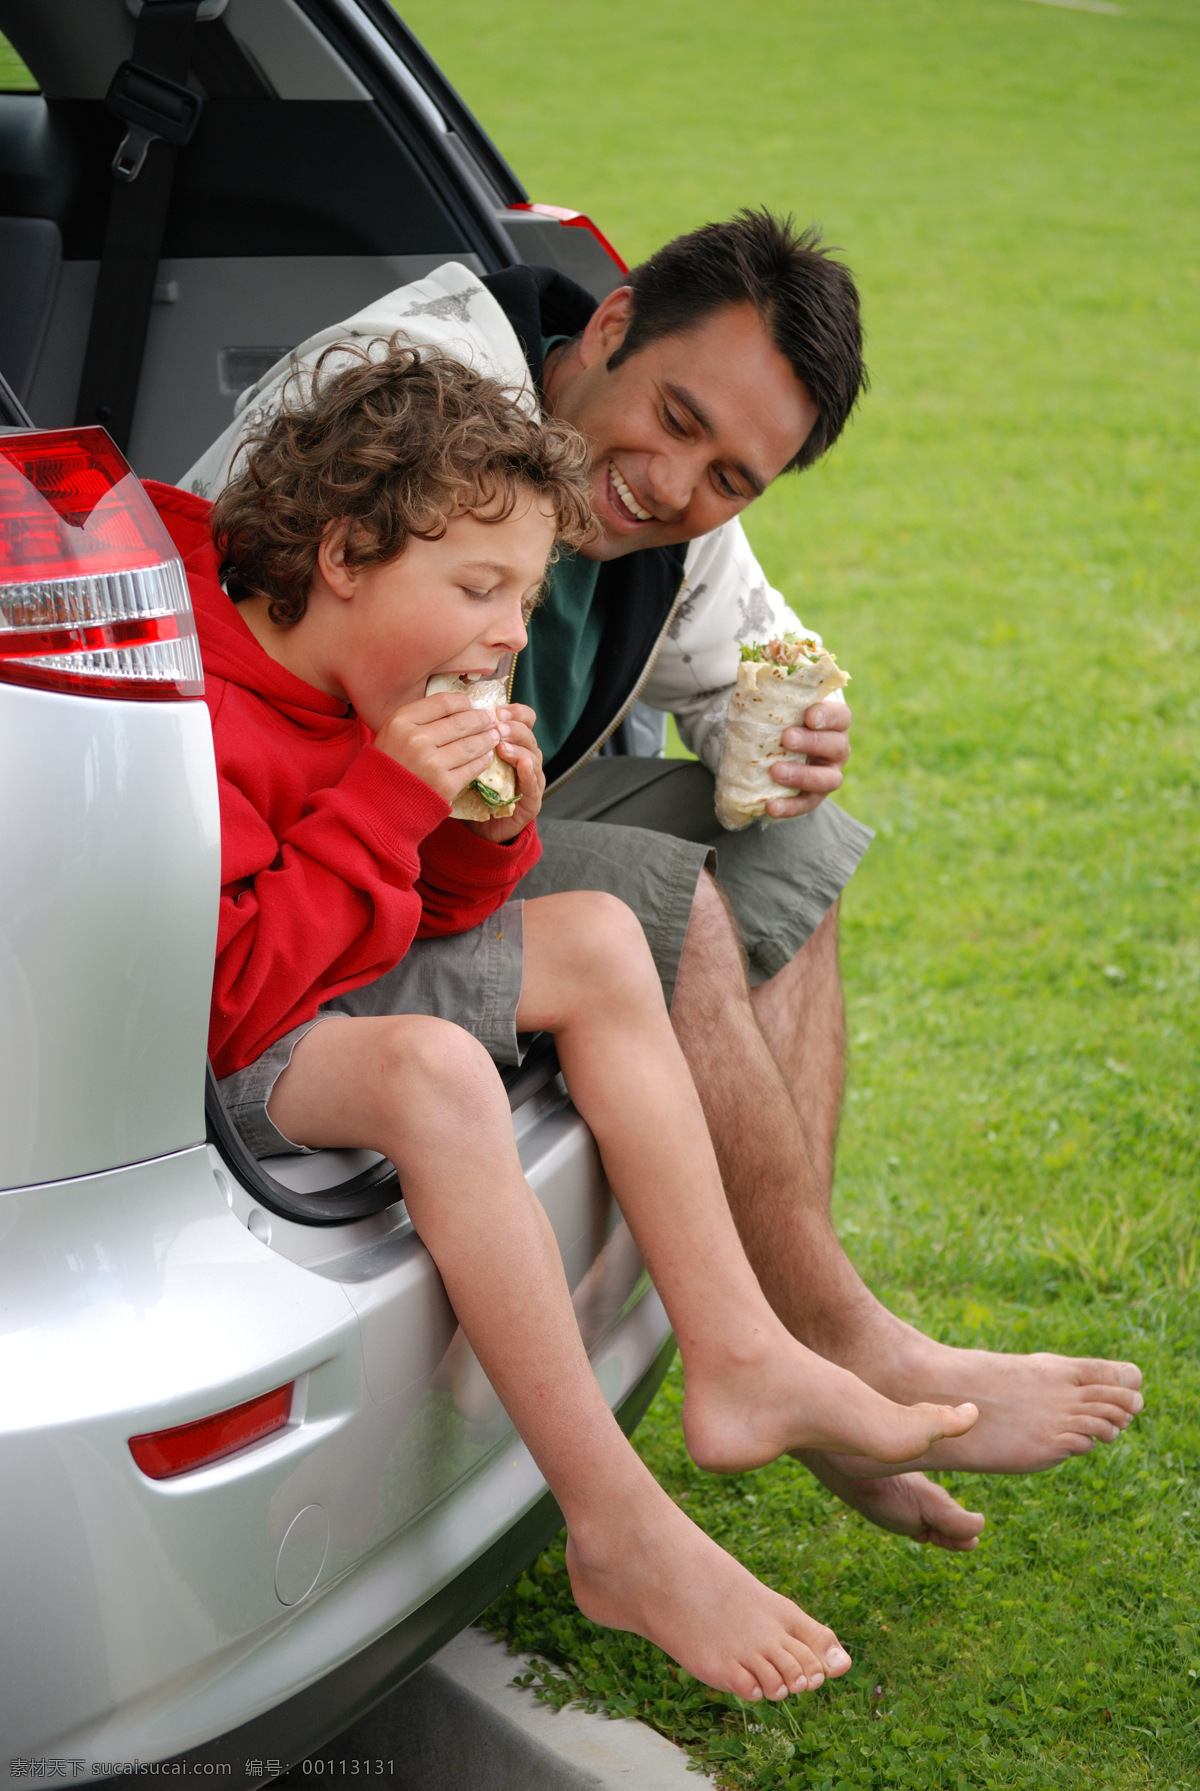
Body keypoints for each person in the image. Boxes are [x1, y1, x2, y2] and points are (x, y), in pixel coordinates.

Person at [184, 211, 1143, 1547]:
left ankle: (801, 1338)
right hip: (330, 827)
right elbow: (254, 637)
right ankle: (829, 1348)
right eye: (675, 420)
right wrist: (429, 801)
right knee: (656, 906)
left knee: (793, 844)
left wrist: (799, 725)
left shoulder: (675, 504)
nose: (673, 483)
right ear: (613, 326)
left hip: (463, 832)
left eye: (734, 475)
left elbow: (769, 654)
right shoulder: (415, 400)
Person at [153, 344, 982, 1699]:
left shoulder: (380, 690)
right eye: (478, 589)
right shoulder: (212, 707)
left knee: (596, 936)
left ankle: (738, 1353)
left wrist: (492, 828)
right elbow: (232, 998)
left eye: (523, 598)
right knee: (430, 1072)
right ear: (345, 553)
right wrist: (381, 802)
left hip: (321, 968)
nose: (502, 633)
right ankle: (617, 1528)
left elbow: (423, 908)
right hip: (226, 1037)